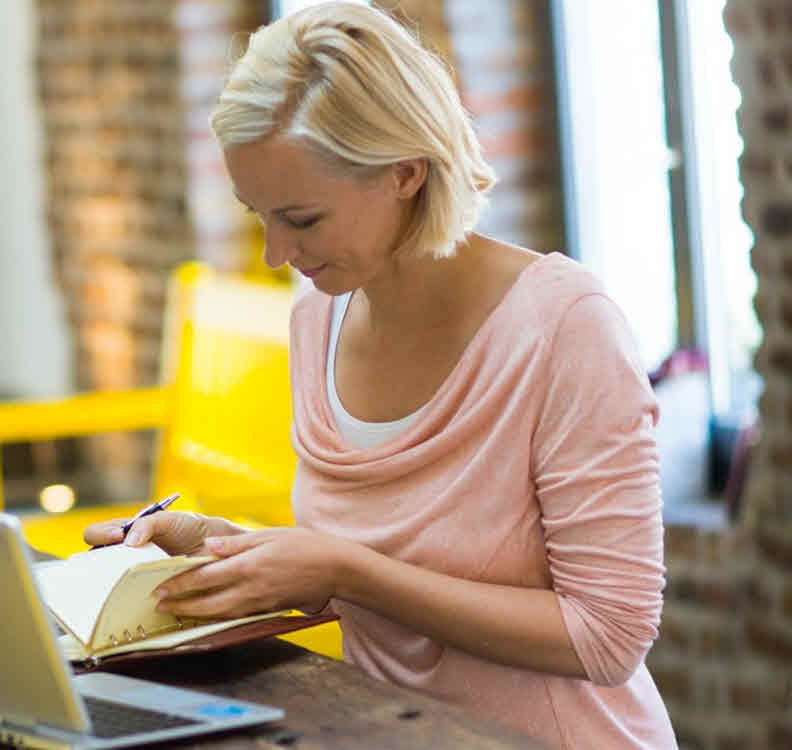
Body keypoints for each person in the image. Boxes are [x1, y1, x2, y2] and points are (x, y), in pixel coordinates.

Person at [85, 3, 677, 747]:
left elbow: (608, 637)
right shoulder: (317, 321)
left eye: (301, 219)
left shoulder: (565, 328)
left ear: (405, 171)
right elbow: (355, 578)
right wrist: (211, 547)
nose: (274, 253)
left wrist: (345, 568)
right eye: (257, 213)